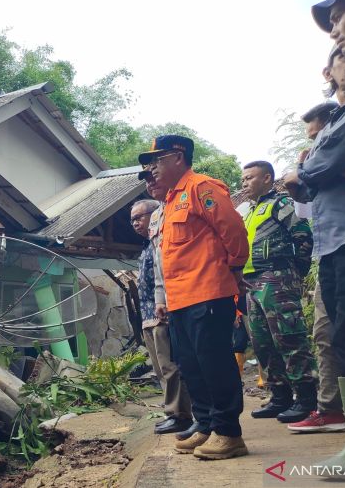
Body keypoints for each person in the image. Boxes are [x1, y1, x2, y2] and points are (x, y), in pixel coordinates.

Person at [281, 0, 345, 471]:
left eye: (338, 18)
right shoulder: (340, 118)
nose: (334, 34)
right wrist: (314, 169)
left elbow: (317, 169)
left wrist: (313, 169)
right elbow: (314, 174)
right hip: (335, 243)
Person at [141, 135, 249, 460]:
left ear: (177, 156)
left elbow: (234, 231)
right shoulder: (171, 201)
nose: (151, 169)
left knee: (215, 363)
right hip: (179, 301)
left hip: (209, 293)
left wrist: (236, 270)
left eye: (155, 161)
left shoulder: (202, 187)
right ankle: (205, 426)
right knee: (191, 366)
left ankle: (229, 433)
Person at [239, 160, 316, 423]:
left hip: (277, 278)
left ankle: (307, 399)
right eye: (243, 179)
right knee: (263, 343)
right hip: (252, 283)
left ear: (267, 179)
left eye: (250, 178)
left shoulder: (279, 205)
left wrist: (296, 272)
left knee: (289, 338)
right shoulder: (250, 212)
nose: (245, 183)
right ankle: (280, 397)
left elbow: (303, 236)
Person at [131, 195, 193, 434]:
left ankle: (180, 414)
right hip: (148, 315)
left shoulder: (163, 241)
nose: (135, 223)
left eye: (140, 217)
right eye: (133, 220)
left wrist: (164, 304)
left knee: (170, 366)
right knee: (159, 369)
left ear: (155, 215)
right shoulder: (148, 246)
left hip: (163, 313)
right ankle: (173, 412)